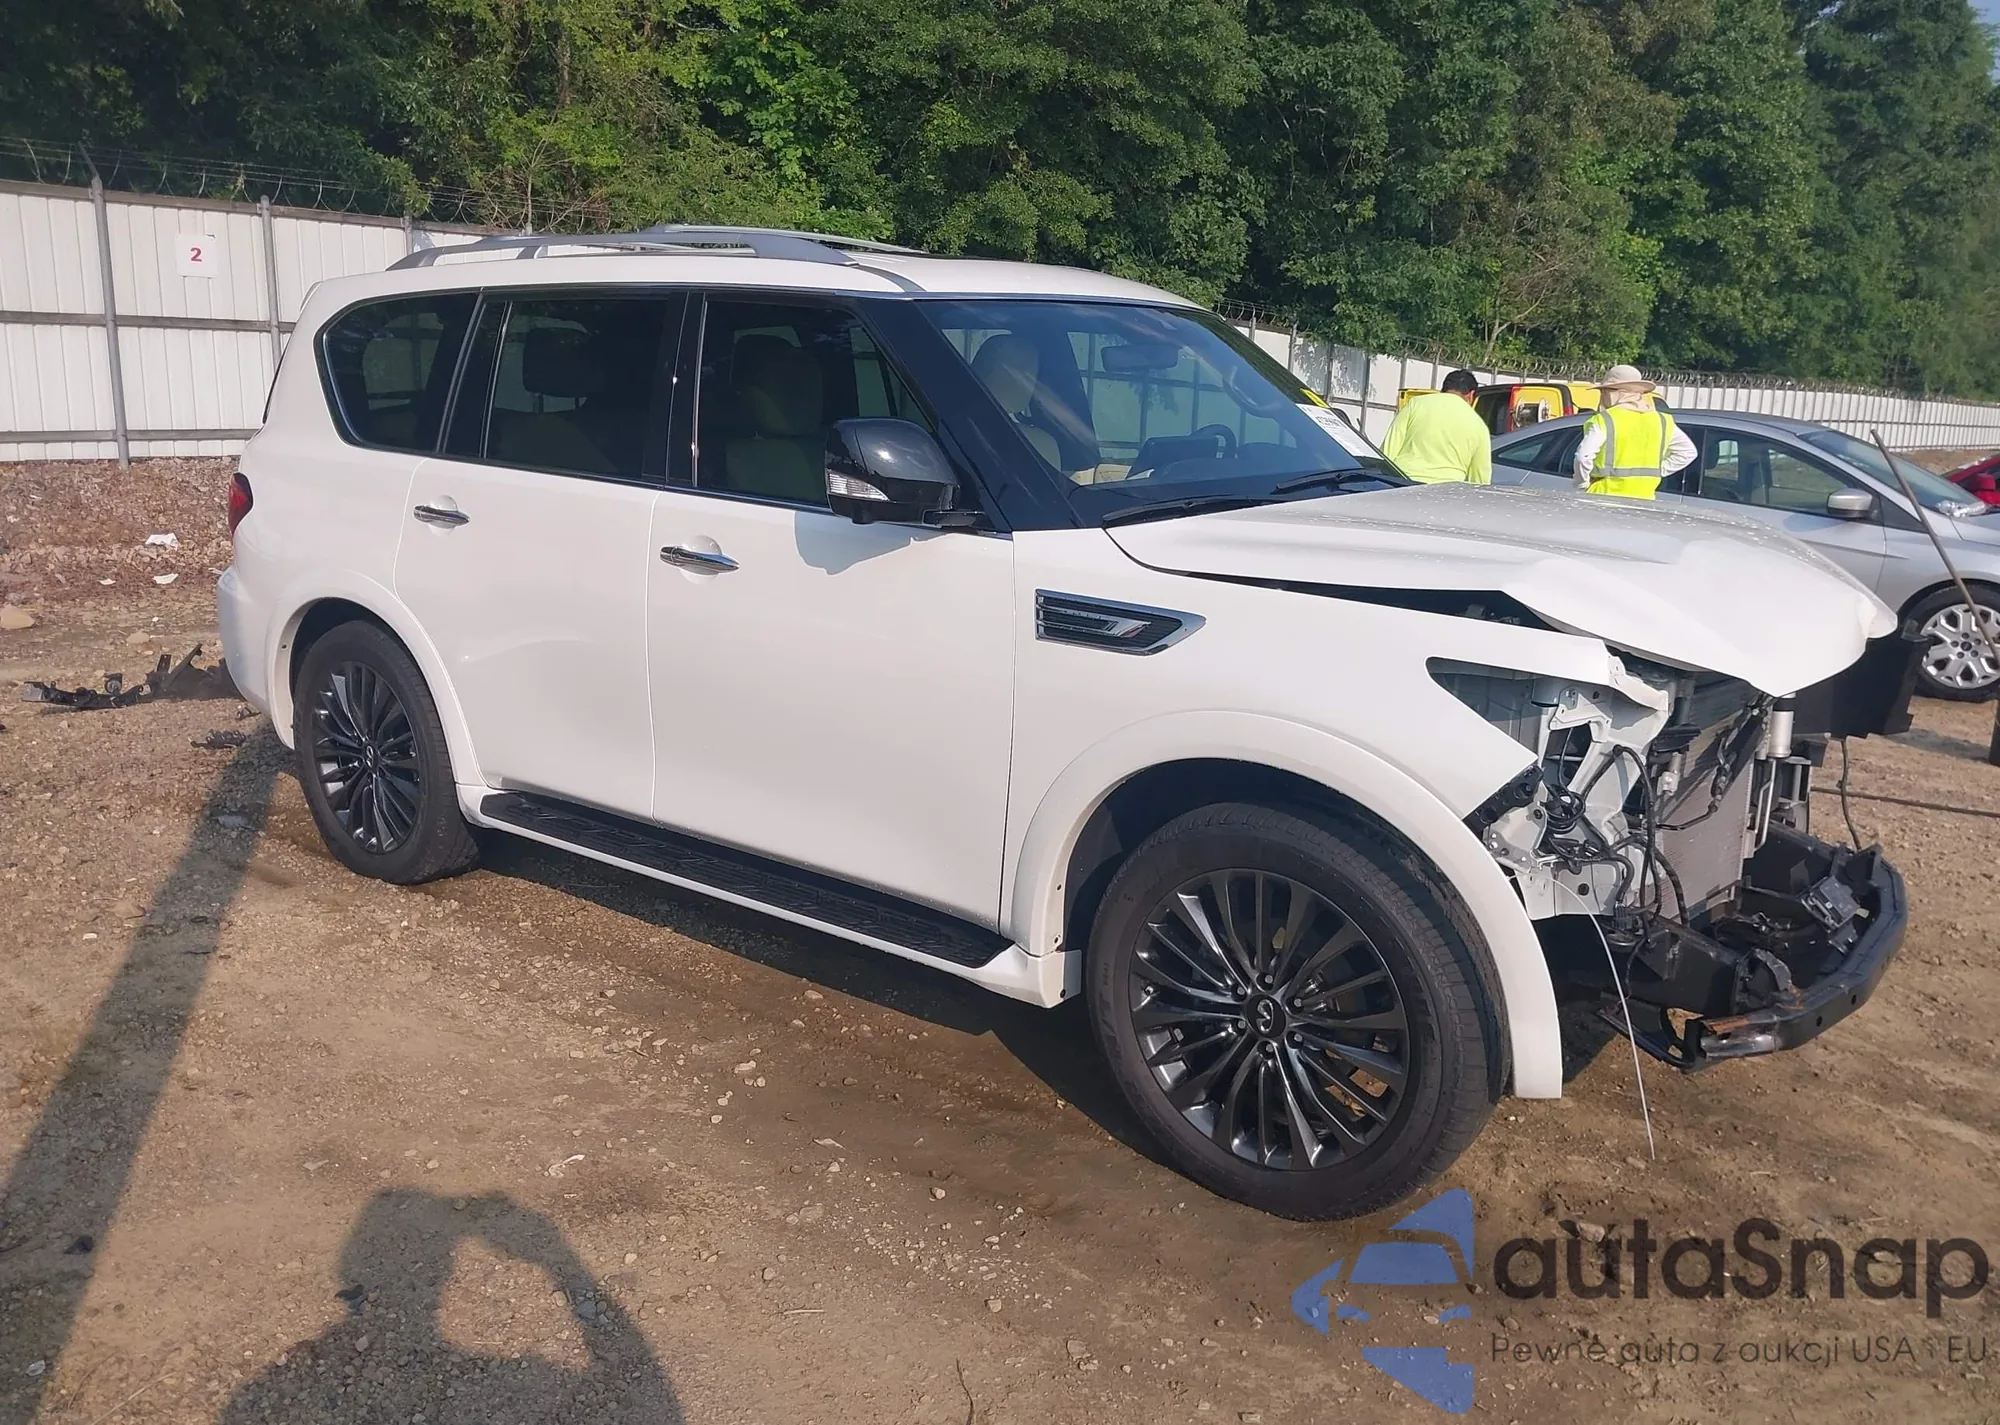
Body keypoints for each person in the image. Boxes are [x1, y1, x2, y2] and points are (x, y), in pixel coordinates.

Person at [1572, 364, 1696, 499]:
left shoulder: (1605, 419)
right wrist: (1657, 470)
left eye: (1604, 391)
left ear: (1613, 393)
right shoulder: (1662, 421)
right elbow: (1687, 453)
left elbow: (1583, 457)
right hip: (1645, 499)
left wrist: (1582, 484)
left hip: (1602, 496)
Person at [1378, 369, 1491, 485]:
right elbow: (1480, 478)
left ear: (1443, 389)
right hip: (1446, 490)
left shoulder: (1416, 404)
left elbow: (1388, 450)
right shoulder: (1479, 425)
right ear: (1471, 395)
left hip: (1404, 481)